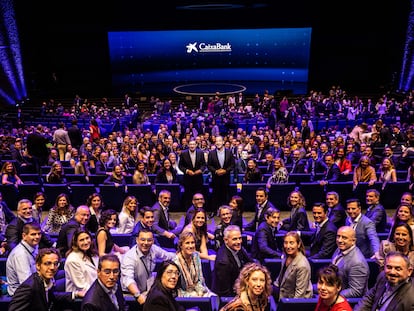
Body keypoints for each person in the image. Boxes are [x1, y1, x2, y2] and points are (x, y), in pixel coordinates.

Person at [9, 247, 83, 311]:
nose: (52, 267)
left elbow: (51, 296)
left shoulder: (47, 281)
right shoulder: (29, 287)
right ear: (38, 265)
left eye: (55, 264)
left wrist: (75, 294)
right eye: (47, 263)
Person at [121, 228, 176, 305]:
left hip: (146, 290)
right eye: (142, 240)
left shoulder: (153, 249)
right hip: (131, 294)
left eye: (149, 240)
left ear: (153, 241)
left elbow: (169, 256)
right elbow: (128, 280)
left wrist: (183, 253)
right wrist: (138, 295)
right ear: (137, 240)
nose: (146, 243)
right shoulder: (129, 257)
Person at [212, 225, 253, 297]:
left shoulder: (237, 247)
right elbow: (225, 292)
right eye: (234, 239)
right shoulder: (223, 263)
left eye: (240, 238)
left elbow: (250, 263)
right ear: (226, 240)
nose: (238, 241)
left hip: (240, 284)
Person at [173, 231, 215, 297]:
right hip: (182, 294)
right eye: (187, 243)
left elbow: (200, 279)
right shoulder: (175, 262)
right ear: (181, 245)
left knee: (214, 298)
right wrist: (194, 295)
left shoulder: (196, 256)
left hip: (198, 290)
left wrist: (200, 292)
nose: (191, 246)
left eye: (192, 243)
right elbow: (176, 289)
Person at [331, 226, 369, 298]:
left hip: (345, 300)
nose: (339, 240)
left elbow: (355, 291)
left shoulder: (357, 263)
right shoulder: (340, 249)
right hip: (333, 288)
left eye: (344, 238)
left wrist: (332, 295)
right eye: (338, 236)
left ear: (353, 241)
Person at [274, 231, 313, 300]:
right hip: (283, 294)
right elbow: (281, 278)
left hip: (292, 301)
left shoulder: (302, 265)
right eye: (286, 243)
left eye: (291, 243)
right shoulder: (286, 256)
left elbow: (299, 294)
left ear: (298, 244)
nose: (288, 246)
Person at [6, 223, 41, 296]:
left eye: (39, 234)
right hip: (21, 293)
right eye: (33, 234)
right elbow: (26, 283)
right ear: (24, 236)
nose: (37, 237)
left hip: (35, 283)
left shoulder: (33, 245)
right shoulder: (20, 254)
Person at [207, 135, 235, 215]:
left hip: (226, 178)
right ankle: (214, 211)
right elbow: (209, 165)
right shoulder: (211, 153)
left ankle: (225, 212)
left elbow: (232, 165)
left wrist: (225, 171)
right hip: (216, 179)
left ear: (223, 142)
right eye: (216, 141)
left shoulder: (229, 152)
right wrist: (216, 171)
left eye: (220, 141)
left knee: (225, 196)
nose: (218, 143)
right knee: (215, 195)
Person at [179, 139, 207, 209]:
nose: (192, 146)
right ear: (188, 145)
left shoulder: (200, 153)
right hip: (188, 179)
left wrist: (200, 170)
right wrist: (187, 171)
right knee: (188, 196)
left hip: (198, 179)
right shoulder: (183, 153)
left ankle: (199, 209)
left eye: (193, 144)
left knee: (198, 195)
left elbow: (204, 164)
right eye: (190, 144)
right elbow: (180, 166)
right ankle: (189, 211)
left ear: (196, 145)